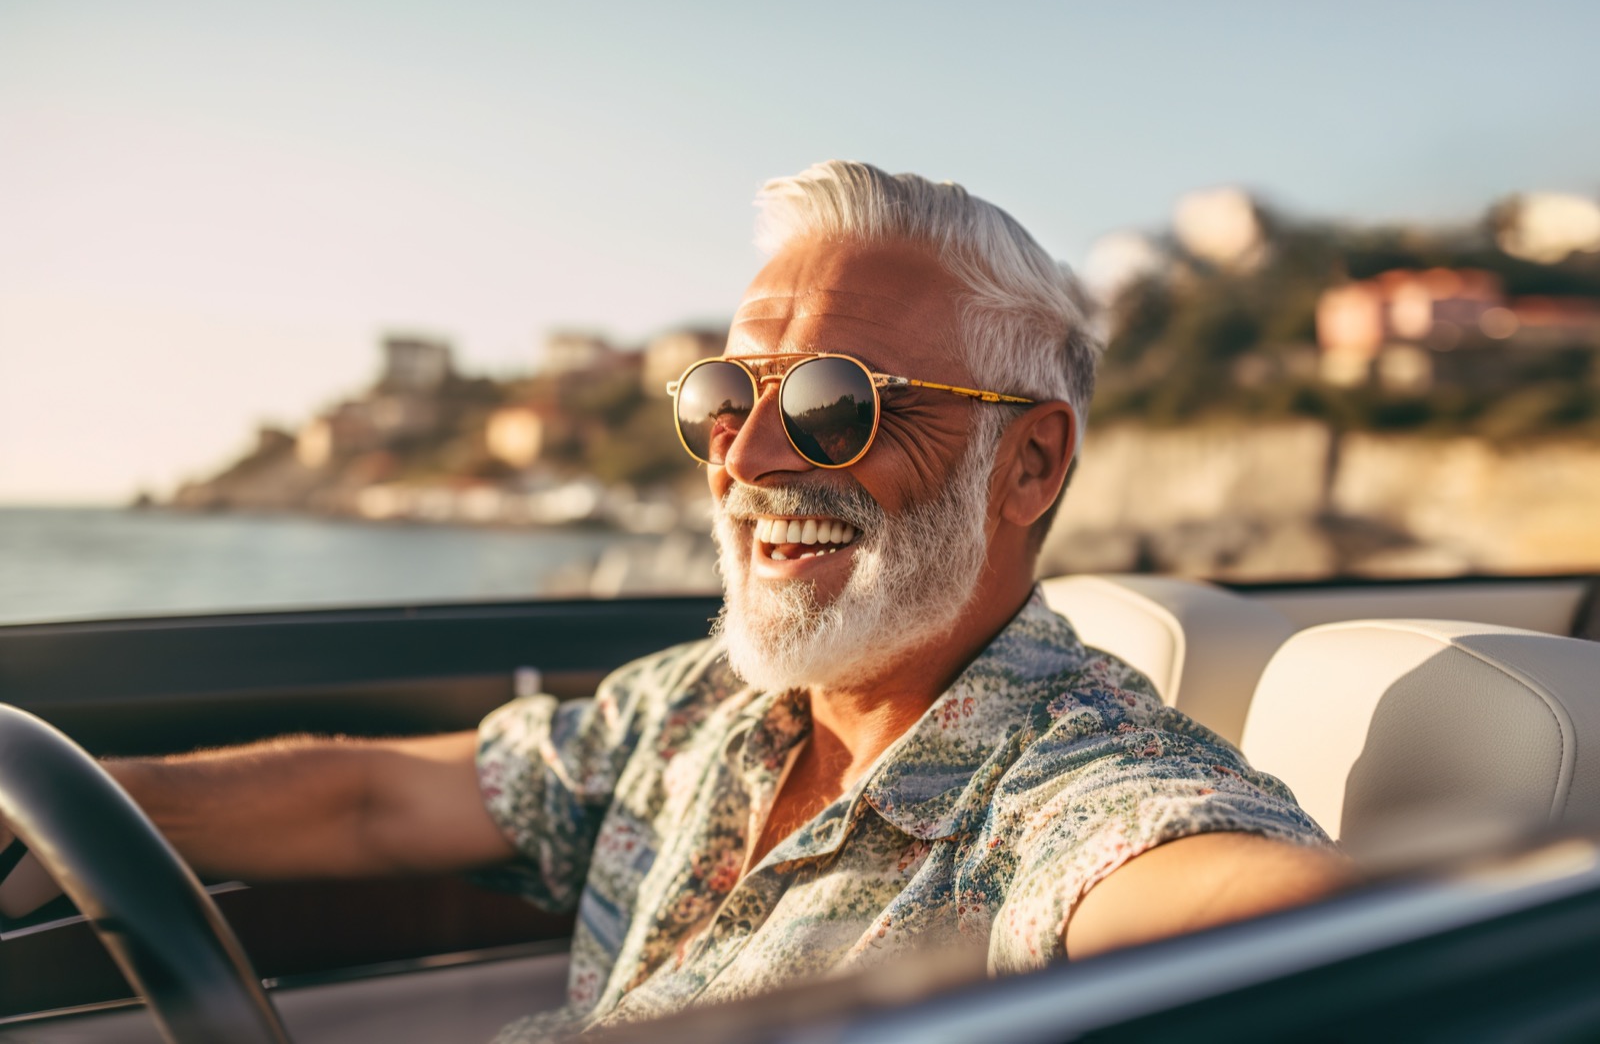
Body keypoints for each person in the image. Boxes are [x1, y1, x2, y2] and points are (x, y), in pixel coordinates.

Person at [0, 161, 1347, 1037]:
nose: (745, 460)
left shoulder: (1061, 786)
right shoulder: (704, 703)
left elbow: (1264, 917)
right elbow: (375, 795)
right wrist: (65, 810)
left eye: (832, 406)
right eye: (725, 396)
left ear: (1030, 458)